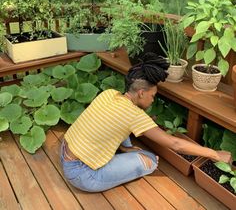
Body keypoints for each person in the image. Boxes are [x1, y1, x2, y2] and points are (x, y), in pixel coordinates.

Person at [61, 52, 232, 192]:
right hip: (82, 174)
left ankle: (123, 150)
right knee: (150, 161)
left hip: (66, 150)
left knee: (122, 129)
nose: (152, 101)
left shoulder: (110, 94)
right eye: (152, 96)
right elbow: (175, 143)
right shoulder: (134, 114)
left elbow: (111, 123)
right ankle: (123, 155)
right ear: (141, 93)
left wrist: (125, 146)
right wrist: (215, 154)